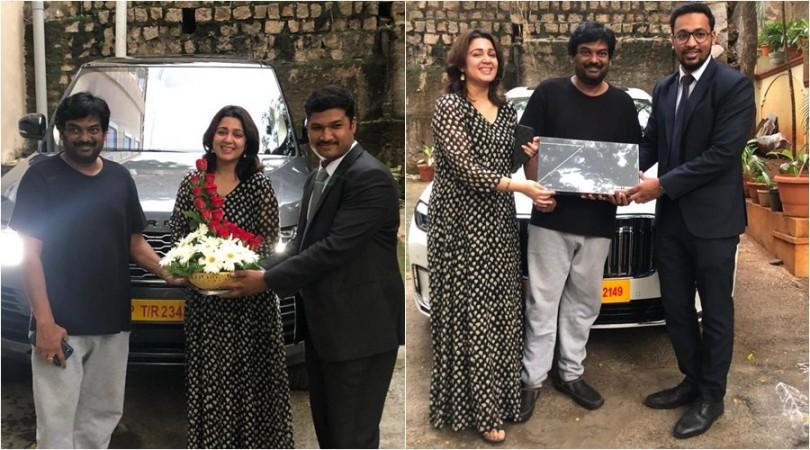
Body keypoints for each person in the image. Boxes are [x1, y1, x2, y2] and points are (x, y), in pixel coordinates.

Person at [223, 85, 404, 449]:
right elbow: (304, 246)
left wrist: (267, 281)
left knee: (352, 436)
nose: (326, 136)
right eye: (317, 127)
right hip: (326, 330)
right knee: (331, 433)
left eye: (335, 126)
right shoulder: (318, 175)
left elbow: (332, 250)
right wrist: (242, 265)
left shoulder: (369, 177)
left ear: (354, 125)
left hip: (361, 332)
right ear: (306, 128)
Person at [10, 92, 183, 448]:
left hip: (113, 323)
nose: (84, 138)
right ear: (61, 132)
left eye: (93, 129)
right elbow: (30, 256)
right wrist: (44, 322)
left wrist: (169, 272)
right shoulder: (41, 177)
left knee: (101, 417)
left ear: (105, 133)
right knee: (57, 424)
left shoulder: (120, 179)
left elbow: (134, 243)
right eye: (75, 129)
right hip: (61, 324)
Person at [626, 3, 755, 439]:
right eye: (683, 35)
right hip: (672, 222)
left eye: (700, 34)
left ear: (713, 37)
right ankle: (691, 380)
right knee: (676, 309)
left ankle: (712, 397)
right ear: (673, 40)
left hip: (714, 223)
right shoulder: (663, 88)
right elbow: (651, 143)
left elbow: (721, 156)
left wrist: (657, 186)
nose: (692, 42)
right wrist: (618, 174)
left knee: (715, 313)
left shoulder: (734, 86)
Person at [426, 29, 554, 444]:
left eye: (492, 54)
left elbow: (503, 163)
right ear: (461, 63)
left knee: (499, 311)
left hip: (496, 222)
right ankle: (479, 412)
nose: (486, 59)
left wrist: (525, 158)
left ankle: (499, 401)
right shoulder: (450, 106)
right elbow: (463, 167)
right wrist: (521, 188)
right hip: (459, 224)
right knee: (471, 315)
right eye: (477, 53)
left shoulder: (504, 109)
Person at [516, 22, 641, 422]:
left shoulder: (622, 104)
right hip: (551, 219)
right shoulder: (549, 93)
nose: (594, 59)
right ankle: (532, 380)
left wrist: (626, 191)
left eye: (601, 53)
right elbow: (529, 154)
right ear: (574, 55)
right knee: (542, 303)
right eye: (586, 51)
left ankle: (570, 374)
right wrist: (536, 179)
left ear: (610, 58)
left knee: (584, 305)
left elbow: (628, 165)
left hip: (600, 222)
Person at [168, 106, 293, 448]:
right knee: (213, 382)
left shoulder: (258, 185)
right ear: (211, 137)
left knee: (252, 381)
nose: (229, 139)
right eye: (223, 131)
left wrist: (240, 266)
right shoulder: (192, 183)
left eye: (237, 134)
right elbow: (180, 233)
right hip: (206, 306)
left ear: (247, 141)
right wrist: (194, 267)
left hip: (251, 302)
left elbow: (269, 241)